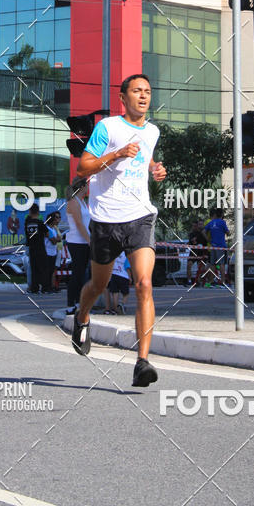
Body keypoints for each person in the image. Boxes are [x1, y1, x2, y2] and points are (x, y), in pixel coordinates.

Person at [72, 73, 166, 387]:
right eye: (137, 91)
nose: (143, 96)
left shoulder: (152, 131)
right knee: (98, 285)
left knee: (143, 284)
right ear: (122, 98)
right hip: (105, 219)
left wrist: (155, 170)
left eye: (148, 92)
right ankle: (82, 315)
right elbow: (84, 167)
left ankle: (142, 362)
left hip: (140, 217)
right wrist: (115, 154)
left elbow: (147, 157)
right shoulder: (108, 128)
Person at [64, 176, 91, 314]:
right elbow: (79, 224)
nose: (88, 188)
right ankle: (70, 304)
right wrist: (89, 240)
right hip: (76, 241)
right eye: (87, 186)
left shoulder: (83, 202)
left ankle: (80, 302)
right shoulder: (73, 202)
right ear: (82, 187)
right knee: (77, 273)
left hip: (84, 241)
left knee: (83, 274)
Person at [24, 204, 48, 294]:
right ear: (38, 212)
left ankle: (34, 288)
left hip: (31, 248)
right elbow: (47, 234)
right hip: (40, 248)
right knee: (43, 268)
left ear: (30, 212)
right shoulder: (40, 223)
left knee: (34, 269)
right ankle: (45, 288)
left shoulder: (27, 223)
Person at [204, 209, 230, 286]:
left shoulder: (211, 222)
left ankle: (211, 281)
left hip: (213, 247)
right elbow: (228, 232)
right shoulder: (222, 222)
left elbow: (203, 231)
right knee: (221, 264)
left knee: (212, 264)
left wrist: (208, 240)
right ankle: (222, 281)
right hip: (221, 246)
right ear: (222, 214)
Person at [43, 211, 61, 293]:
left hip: (53, 252)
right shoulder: (47, 229)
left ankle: (50, 287)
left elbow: (59, 238)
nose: (58, 219)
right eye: (56, 217)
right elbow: (53, 241)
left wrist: (56, 238)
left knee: (51, 271)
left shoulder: (54, 229)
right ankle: (46, 288)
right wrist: (56, 239)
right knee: (47, 271)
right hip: (47, 252)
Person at [186, 218, 207, 286]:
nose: (199, 226)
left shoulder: (204, 233)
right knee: (189, 265)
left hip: (201, 253)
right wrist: (192, 242)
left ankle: (199, 281)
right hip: (193, 252)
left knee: (201, 267)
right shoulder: (192, 233)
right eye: (199, 224)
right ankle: (189, 281)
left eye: (201, 224)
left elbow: (206, 243)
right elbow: (190, 242)